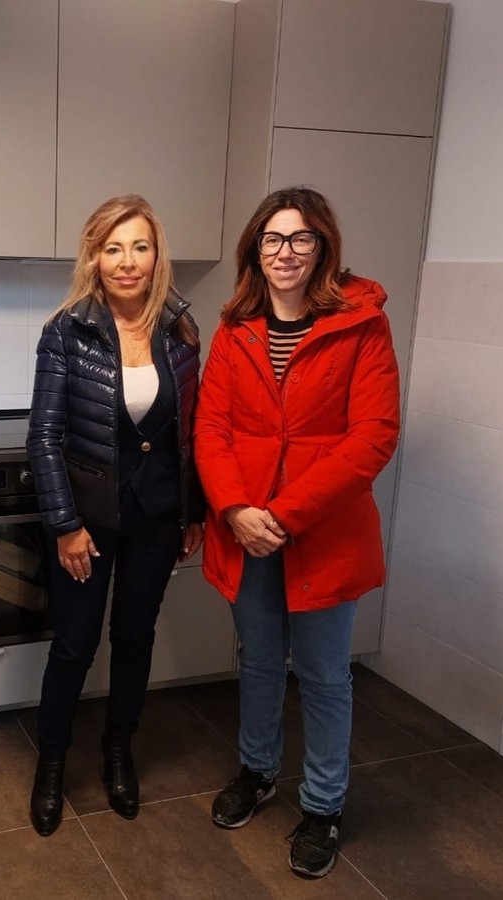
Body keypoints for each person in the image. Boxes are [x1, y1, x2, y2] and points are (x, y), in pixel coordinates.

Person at [194, 186, 400, 877]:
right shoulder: (235, 328)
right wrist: (234, 509)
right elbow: (211, 428)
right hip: (246, 528)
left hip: (322, 531)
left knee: (322, 673)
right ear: (256, 249)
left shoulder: (362, 326)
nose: (285, 251)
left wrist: (284, 514)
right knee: (257, 660)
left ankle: (322, 806)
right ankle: (256, 773)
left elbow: (373, 436)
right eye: (273, 238)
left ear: (323, 247)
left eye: (300, 237)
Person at [25, 194, 205, 837]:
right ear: (94, 259)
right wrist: (65, 526)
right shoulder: (66, 331)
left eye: (140, 247)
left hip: (157, 518)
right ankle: (51, 765)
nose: (128, 261)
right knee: (74, 645)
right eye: (113, 248)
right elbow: (43, 438)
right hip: (87, 523)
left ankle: (118, 751)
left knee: (134, 637)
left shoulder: (181, 331)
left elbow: (192, 434)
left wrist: (194, 512)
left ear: (157, 257)